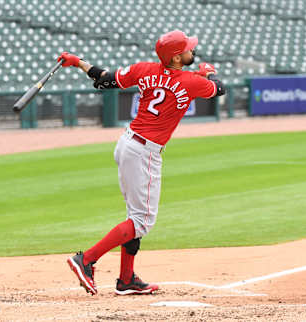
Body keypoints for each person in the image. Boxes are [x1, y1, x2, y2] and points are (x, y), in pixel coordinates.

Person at [60, 30, 226, 296]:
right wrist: (210, 72)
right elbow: (219, 89)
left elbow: (104, 80)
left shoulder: (144, 69)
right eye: (187, 49)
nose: (192, 51)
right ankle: (87, 259)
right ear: (175, 57)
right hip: (144, 152)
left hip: (127, 143)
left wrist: (78, 62)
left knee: (134, 215)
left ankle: (126, 280)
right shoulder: (190, 82)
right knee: (142, 221)